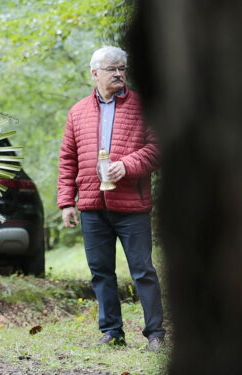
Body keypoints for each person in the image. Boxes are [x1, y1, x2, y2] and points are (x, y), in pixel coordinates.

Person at [57, 46, 165, 352]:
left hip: (132, 205)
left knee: (143, 270)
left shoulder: (144, 107)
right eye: (111, 69)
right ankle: (112, 331)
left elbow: (158, 148)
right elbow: (68, 159)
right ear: (94, 74)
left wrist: (127, 165)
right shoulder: (77, 112)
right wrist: (66, 202)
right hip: (92, 206)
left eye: (122, 69)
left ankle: (155, 333)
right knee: (100, 271)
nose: (118, 74)